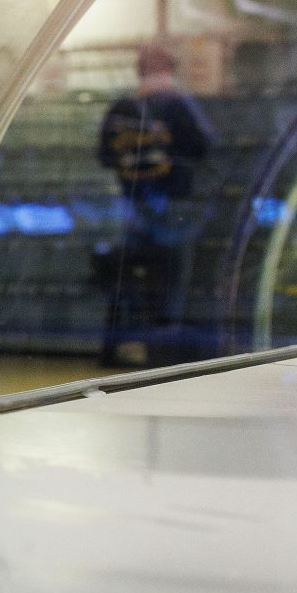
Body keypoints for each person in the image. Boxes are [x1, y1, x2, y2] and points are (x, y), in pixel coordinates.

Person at [97, 44, 215, 365]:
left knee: (130, 279)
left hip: (132, 205)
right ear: (169, 72)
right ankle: (162, 349)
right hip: (172, 205)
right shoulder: (178, 106)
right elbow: (204, 147)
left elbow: (105, 156)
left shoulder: (121, 108)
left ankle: (124, 346)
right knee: (171, 279)